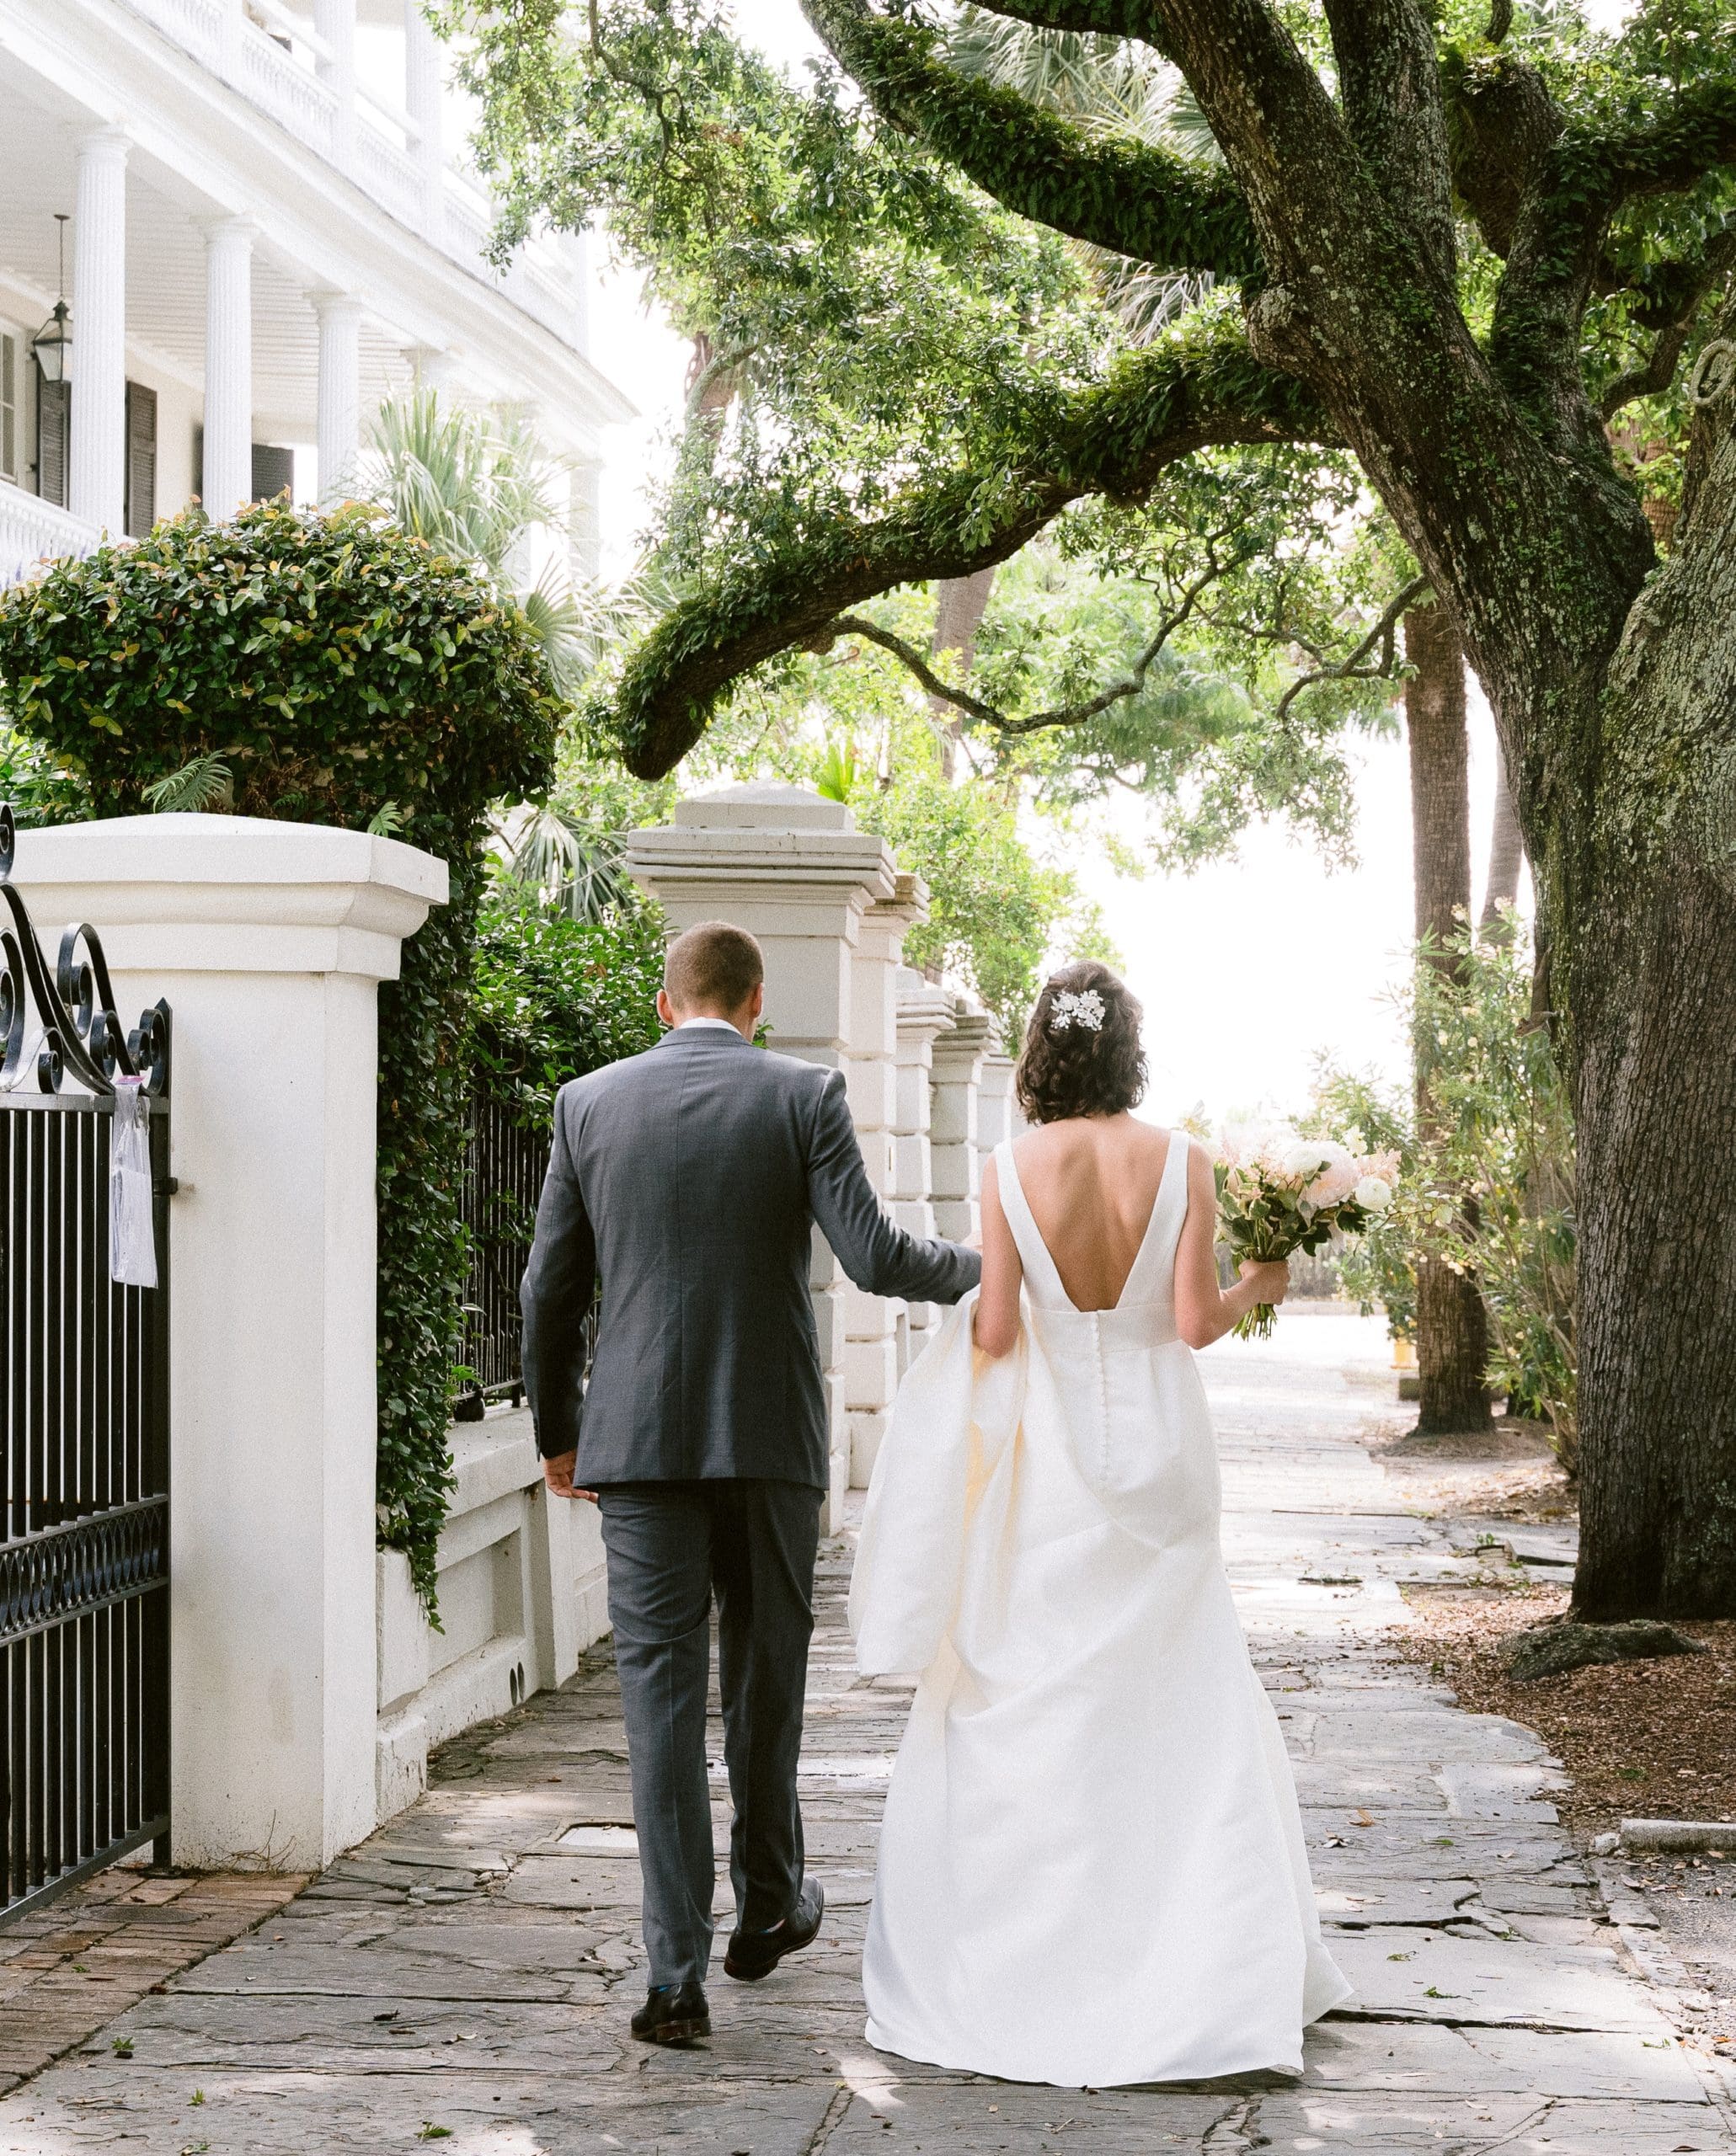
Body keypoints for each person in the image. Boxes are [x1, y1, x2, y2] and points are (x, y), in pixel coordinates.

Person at [853, 958, 1352, 2087]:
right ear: (1128, 1049)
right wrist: (1257, 1287)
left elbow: (988, 1332)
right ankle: (1205, 1965)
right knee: (1180, 1694)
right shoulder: (1181, 1160)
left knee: (1043, 1695)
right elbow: (1189, 1324)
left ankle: (1043, 1969)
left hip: (1053, 1466)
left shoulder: (1003, 1166)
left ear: (1039, 1052)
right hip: (1165, 1457)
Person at [521, 920, 980, 2047]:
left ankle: (674, 1979)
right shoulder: (802, 1095)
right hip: (770, 1441)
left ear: (667, 1002)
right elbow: (874, 1258)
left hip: (633, 1448)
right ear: (756, 1001)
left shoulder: (587, 1103)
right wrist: (987, 1265)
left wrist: (558, 1430)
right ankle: (769, 1907)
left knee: (661, 1705)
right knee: (765, 1690)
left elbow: (547, 1290)